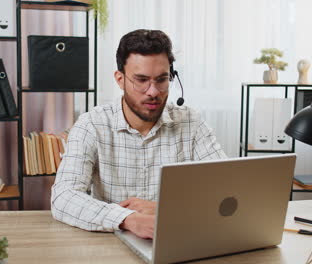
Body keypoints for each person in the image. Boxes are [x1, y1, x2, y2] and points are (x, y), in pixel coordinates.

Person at [51, 29, 226, 239]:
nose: (153, 91)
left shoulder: (192, 123)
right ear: (120, 79)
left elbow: (224, 192)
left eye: (161, 79)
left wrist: (163, 208)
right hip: (109, 242)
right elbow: (63, 196)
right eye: (141, 80)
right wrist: (127, 219)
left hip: (176, 239)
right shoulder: (91, 125)